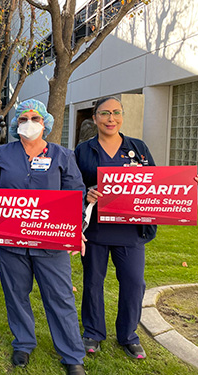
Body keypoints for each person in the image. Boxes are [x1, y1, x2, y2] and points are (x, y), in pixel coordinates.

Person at [0, 99, 86, 375]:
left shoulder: (63, 156)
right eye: (24, 118)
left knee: (60, 296)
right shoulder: (3, 153)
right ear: (17, 123)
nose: (29, 122)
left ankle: (72, 354)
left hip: (50, 243)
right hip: (10, 242)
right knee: (16, 294)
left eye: (35, 118)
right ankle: (24, 343)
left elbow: (76, 195)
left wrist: (76, 231)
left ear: (45, 123)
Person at [74, 96, 157, 359]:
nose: (111, 119)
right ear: (95, 117)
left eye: (116, 113)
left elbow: (156, 184)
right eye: (105, 113)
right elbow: (71, 186)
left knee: (134, 283)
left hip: (130, 231)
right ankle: (93, 333)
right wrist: (85, 194)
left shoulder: (138, 148)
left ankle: (128, 335)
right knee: (93, 283)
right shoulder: (83, 150)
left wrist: (187, 185)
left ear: (122, 116)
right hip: (96, 230)